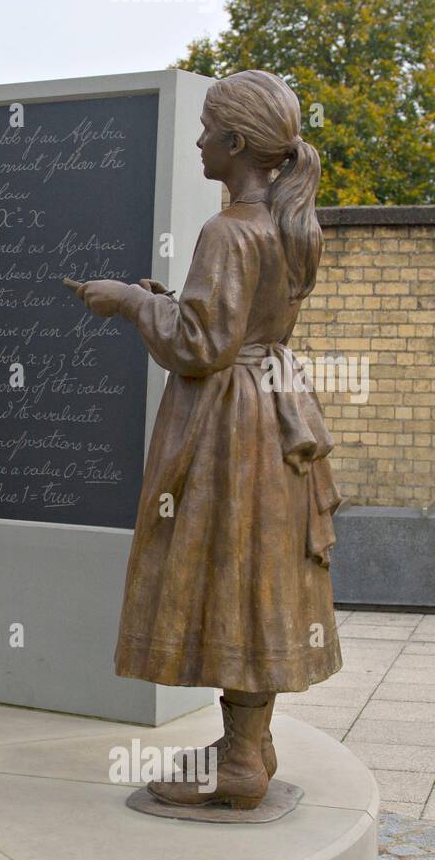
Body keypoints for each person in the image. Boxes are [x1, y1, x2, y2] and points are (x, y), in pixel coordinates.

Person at [70, 69, 341, 811]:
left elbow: (202, 345)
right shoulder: (291, 226)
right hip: (275, 410)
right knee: (256, 577)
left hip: (232, 426)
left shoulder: (228, 230)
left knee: (231, 574)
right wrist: (168, 300)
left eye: (208, 130)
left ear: (235, 142)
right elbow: (234, 324)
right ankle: (247, 744)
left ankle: (243, 765)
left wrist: (128, 302)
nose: (197, 140)